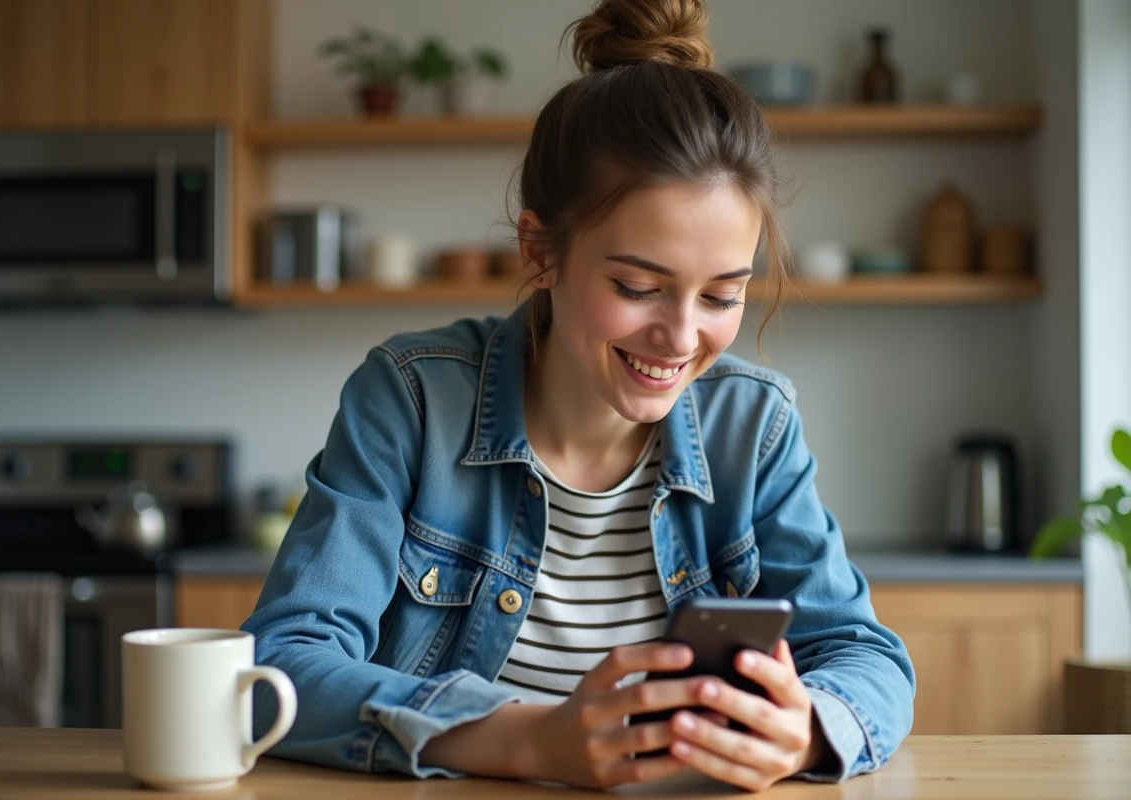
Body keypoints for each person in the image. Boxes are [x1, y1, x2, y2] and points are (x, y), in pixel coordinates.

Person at [242, 0, 914, 792]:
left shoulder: (753, 425)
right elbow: (278, 670)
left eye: (721, 296)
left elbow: (867, 658)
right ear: (541, 251)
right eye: (638, 286)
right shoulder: (412, 399)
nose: (680, 336)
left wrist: (803, 733)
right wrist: (527, 740)